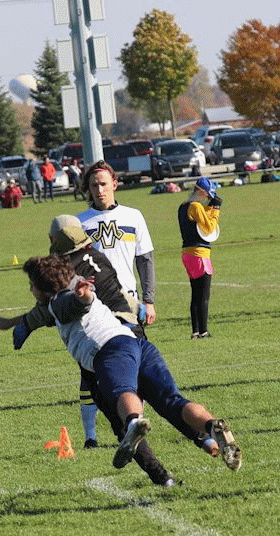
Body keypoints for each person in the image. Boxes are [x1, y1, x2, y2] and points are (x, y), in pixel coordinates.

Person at [0, 215, 217, 487]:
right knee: (167, 399)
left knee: (122, 411)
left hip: (106, 347)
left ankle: (161, 475)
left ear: (53, 241)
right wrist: (138, 306)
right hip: (134, 335)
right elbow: (114, 291)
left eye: (32, 286)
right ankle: (209, 435)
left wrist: (23, 322)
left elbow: (56, 307)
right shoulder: (98, 257)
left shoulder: (62, 274)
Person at [17, 254, 241, 474]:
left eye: (32, 285)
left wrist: (83, 297)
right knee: (173, 401)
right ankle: (212, 426)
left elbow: (77, 303)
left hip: (111, 350)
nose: (30, 290)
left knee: (122, 392)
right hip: (138, 344)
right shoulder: (74, 287)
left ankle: (134, 424)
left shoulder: (58, 301)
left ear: (45, 288)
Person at [77, 160, 159, 443]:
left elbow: (145, 260)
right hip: (94, 308)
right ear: (88, 189)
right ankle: (90, 436)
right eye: (93, 185)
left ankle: (135, 427)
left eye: (103, 183)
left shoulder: (133, 216)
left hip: (128, 307)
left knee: (136, 366)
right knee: (90, 371)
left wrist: (149, 300)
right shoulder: (79, 223)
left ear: (114, 184)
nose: (99, 190)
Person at [178, 177, 222, 339]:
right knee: (203, 296)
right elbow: (209, 227)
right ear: (201, 192)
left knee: (195, 295)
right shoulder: (196, 206)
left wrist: (210, 207)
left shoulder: (184, 206)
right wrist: (216, 209)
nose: (207, 198)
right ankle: (204, 331)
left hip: (187, 254)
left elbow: (201, 218)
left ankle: (195, 331)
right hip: (199, 254)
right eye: (207, 195)